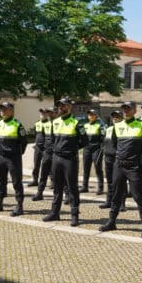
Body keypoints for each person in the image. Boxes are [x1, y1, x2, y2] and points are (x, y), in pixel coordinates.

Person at [99, 101, 142, 239]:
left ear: (134, 110)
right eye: (124, 109)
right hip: (119, 164)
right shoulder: (117, 126)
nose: (126, 111)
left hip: (134, 166)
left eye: (129, 108)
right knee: (116, 194)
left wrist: (140, 158)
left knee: (138, 195)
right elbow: (114, 144)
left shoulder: (141, 125)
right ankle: (112, 221)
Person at [44, 97, 86, 226]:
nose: (61, 107)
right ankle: (55, 213)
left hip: (70, 159)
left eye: (64, 105)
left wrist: (71, 150)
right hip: (57, 158)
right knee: (57, 187)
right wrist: (56, 151)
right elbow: (51, 140)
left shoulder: (77, 123)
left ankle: (74, 215)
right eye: (60, 106)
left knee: (72, 187)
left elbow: (84, 141)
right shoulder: (54, 122)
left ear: (70, 107)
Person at [0, 101, 27, 216]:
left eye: (5, 109)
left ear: (11, 110)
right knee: (0, 181)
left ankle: (19, 206)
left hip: (13, 158)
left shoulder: (17, 124)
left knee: (16, 182)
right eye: (1, 109)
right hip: (0, 157)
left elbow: (24, 142)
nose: (3, 112)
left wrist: (17, 154)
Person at [99, 110, 124, 211]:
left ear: (121, 118)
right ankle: (109, 201)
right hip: (108, 157)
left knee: (120, 181)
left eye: (117, 117)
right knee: (109, 181)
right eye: (113, 117)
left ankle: (122, 203)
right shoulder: (108, 129)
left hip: (118, 158)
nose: (115, 119)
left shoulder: (123, 129)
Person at [32, 107, 56, 201]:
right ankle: (39, 193)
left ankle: (66, 195)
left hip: (57, 152)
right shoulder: (47, 124)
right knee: (43, 172)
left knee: (60, 174)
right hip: (47, 151)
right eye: (48, 113)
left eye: (51, 113)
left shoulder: (59, 123)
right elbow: (46, 137)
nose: (49, 114)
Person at [81, 109, 105, 195]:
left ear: (96, 116)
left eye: (92, 115)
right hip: (87, 149)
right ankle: (84, 186)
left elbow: (103, 137)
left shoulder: (100, 125)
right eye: (89, 115)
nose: (90, 116)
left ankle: (100, 188)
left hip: (96, 149)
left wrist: (102, 148)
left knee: (98, 168)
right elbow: (82, 137)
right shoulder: (85, 125)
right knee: (86, 168)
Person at [28, 108, 48, 188]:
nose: (42, 115)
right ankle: (35, 180)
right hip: (38, 147)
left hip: (46, 148)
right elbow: (36, 135)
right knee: (36, 164)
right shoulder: (37, 123)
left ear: (46, 115)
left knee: (47, 165)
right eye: (41, 114)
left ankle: (52, 182)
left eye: (44, 114)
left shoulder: (49, 124)